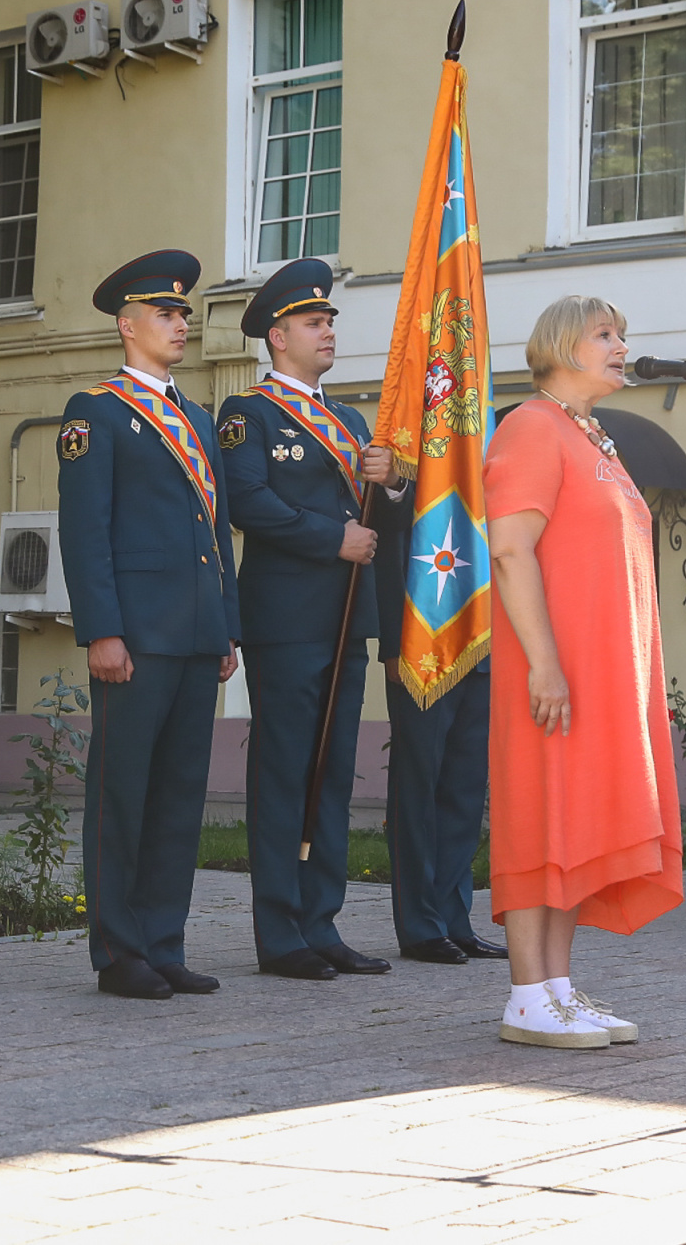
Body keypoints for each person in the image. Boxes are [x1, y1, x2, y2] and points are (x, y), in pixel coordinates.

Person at [482, 294, 683, 1049]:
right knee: (542, 813)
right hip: (551, 669)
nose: (622, 346)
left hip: (597, 675)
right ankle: (525, 993)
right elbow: (510, 551)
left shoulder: (589, 435)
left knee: (575, 819)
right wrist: (544, 664)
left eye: (623, 334)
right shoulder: (533, 427)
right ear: (564, 346)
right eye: (606, 334)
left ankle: (557, 989)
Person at [58, 250, 239, 1001]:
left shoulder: (196, 417)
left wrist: (227, 627)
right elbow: (85, 529)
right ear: (128, 325)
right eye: (166, 314)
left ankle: (164, 941)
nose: (181, 324)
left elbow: (218, 530)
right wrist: (102, 629)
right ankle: (118, 950)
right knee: (123, 795)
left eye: (184, 314)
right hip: (134, 637)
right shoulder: (96, 410)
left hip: (196, 638)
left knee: (176, 797)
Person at [215, 258, 394, 981]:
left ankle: (322, 922)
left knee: (333, 774)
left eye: (328, 322)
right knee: (287, 769)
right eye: (314, 323)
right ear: (278, 336)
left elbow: (378, 511)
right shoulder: (247, 414)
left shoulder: (348, 419)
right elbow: (248, 502)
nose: (327, 332)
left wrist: (393, 478)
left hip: (348, 616)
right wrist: (333, 538)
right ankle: (280, 931)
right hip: (287, 616)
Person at [375, 489, 500, 969]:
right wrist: (391, 642)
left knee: (464, 794)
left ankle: (454, 919)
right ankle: (420, 925)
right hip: (422, 646)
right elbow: (389, 550)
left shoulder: (484, 461)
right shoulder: (412, 466)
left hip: (480, 644)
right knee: (418, 787)